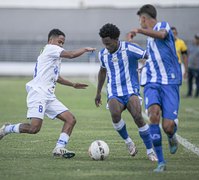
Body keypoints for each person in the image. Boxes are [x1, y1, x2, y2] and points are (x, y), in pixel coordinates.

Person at [0, 29, 95, 158]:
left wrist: (73, 84)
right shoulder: (50, 48)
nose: (61, 45)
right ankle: (7, 129)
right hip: (38, 93)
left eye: (63, 43)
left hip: (49, 96)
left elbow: (57, 78)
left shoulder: (54, 55)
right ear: (51, 41)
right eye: (59, 42)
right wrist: (84, 49)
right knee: (34, 129)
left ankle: (59, 148)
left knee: (70, 119)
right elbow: (71, 54)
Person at [129, 4, 181, 172]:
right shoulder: (150, 40)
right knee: (153, 116)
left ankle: (171, 135)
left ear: (145, 18)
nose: (140, 23)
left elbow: (162, 35)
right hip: (152, 82)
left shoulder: (162, 26)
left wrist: (139, 30)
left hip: (169, 82)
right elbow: (152, 57)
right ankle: (161, 162)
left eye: (140, 20)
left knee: (167, 126)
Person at [95, 23, 157, 162]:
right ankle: (129, 142)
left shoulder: (130, 48)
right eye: (104, 44)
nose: (107, 47)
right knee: (115, 115)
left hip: (131, 90)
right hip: (114, 91)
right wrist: (98, 92)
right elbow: (103, 71)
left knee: (137, 116)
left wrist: (145, 67)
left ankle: (150, 151)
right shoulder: (103, 54)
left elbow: (150, 57)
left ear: (116, 40)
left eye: (109, 44)